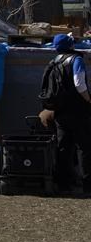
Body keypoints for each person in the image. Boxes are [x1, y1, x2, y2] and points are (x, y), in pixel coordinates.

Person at [40, 34, 91, 193]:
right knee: (85, 148)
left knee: (64, 148)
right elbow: (79, 84)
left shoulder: (54, 62)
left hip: (59, 112)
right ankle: (87, 184)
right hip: (78, 111)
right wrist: (88, 100)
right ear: (71, 45)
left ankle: (63, 184)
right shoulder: (76, 60)